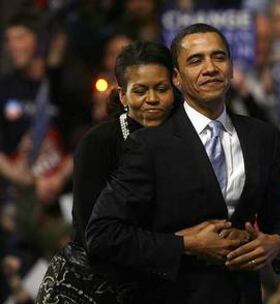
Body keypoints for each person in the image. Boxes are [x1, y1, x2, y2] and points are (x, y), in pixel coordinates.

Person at [86, 23, 280, 303]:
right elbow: (103, 234)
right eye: (196, 60)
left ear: (232, 68)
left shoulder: (261, 136)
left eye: (219, 57)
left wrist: (278, 243)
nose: (210, 68)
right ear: (176, 77)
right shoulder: (150, 145)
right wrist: (185, 244)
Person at [35, 41, 176, 303]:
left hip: (156, 285)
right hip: (87, 288)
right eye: (140, 90)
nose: (152, 99)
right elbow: (94, 237)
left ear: (174, 89)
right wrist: (182, 244)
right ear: (123, 96)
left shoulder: (184, 137)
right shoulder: (98, 142)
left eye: (161, 89)